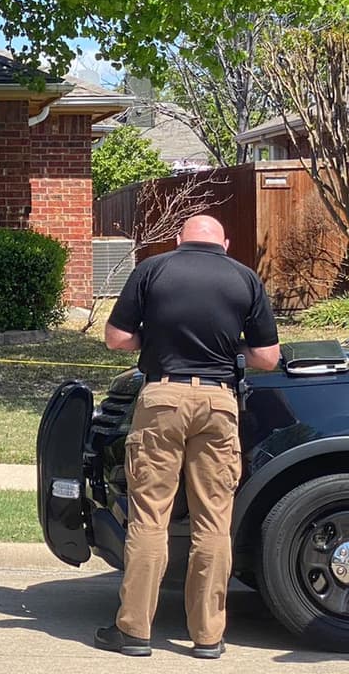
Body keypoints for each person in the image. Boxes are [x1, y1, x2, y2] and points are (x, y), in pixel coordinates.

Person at [94, 214, 281, 659]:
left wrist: (154, 338)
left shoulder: (153, 270)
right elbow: (268, 358)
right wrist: (228, 349)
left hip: (162, 396)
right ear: (226, 242)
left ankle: (135, 631)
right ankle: (208, 636)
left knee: (149, 517)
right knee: (213, 522)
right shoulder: (245, 278)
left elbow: (116, 338)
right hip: (218, 403)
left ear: (179, 239)